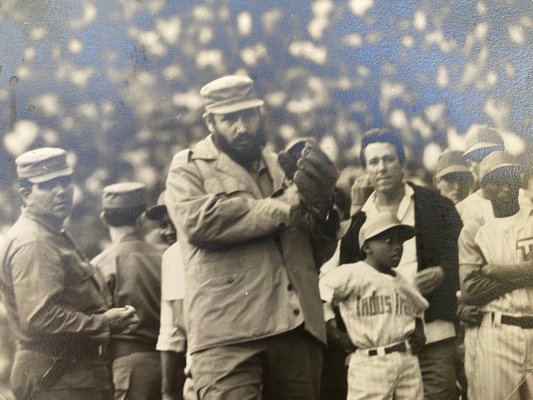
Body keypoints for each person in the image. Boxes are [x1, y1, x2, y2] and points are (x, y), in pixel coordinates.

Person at [165, 74, 340, 399]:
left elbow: (311, 254)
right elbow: (200, 222)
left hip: (297, 330)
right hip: (229, 335)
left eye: (248, 114)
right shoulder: (188, 168)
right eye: (229, 118)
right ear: (210, 121)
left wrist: (325, 211)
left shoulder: (285, 167)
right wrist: (286, 204)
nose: (242, 126)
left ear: (261, 113)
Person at [0, 147, 138, 400]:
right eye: (48, 185)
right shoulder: (35, 241)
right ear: (26, 194)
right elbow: (39, 316)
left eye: (65, 182)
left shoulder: (51, 234)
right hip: (58, 376)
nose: (61, 191)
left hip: (68, 373)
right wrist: (103, 322)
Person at [341, 128, 463, 400]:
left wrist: (444, 271)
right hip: (383, 346)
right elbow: (344, 277)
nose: (382, 168)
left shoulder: (436, 206)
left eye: (388, 159)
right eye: (373, 162)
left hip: (433, 335)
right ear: (365, 170)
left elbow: (463, 256)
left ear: (402, 164)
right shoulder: (360, 221)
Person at [320, 212, 428, 399]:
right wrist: (335, 333)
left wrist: (418, 327)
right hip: (370, 361)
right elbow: (318, 295)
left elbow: (418, 306)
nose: (398, 247)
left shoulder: (401, 279)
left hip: (406, 358)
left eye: (401, 242)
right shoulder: (352, 273)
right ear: (367, 247)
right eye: (389, 241)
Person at [458, 150, 533, 400]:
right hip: (498, 329)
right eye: (496, 180)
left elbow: (482, 281)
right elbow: (471, 290)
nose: (505, 186)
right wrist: (525, 275)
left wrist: (497, 271)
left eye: (510, 177)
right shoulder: (474, 228)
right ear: (484, 189)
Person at [92, 182, 162, 400]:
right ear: (142, 218)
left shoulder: (99, 265)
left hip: (125, 367)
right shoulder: (164, 257)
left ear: (104, 218)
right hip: (168, 364)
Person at [146, 191, 189, 400]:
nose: (169, 231)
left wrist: (167, 392)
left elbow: (175, 329)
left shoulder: (174, 255)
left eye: (174, 222)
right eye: (163, 224)